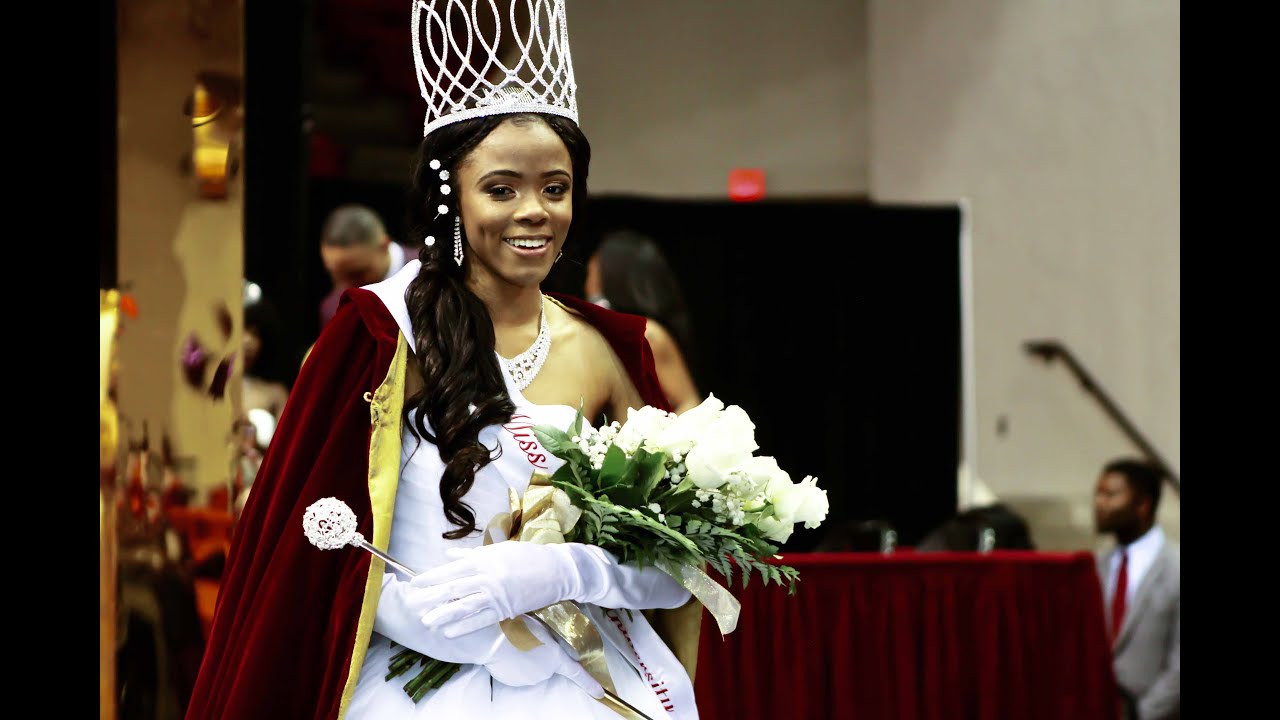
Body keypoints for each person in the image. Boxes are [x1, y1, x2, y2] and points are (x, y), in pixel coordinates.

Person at [185, 3, 702, 718]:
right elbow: (301, 548)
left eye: (555, 188)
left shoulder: (605, 352)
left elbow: (677, 566)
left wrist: (562, 568)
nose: (534, 211)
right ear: (449, 199)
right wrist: (397, 607)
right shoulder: (378, 337)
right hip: (406, 686)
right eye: (501, 189)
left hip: (571, 677)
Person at [1092, 457, 1179, 720]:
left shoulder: (1174, 567)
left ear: (1143, 504)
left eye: (1111, 495)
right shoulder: (1097, 566)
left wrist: (1142, 713)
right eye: (1098, 493)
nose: (1099, 502)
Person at [584, 229, 701, 413]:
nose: (588, 278)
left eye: (594, 270)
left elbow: (688, 403)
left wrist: (656, 441)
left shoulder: (647, 335)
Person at [317, 203, 415, 330]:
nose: (345, 287)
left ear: (384, 246)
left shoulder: (436, 269)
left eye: (356, 274)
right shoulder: (333, 310)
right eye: (336, 275)